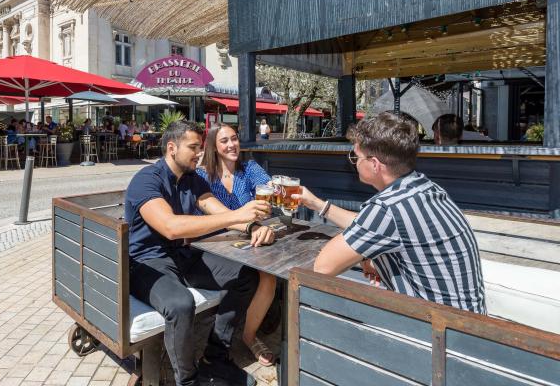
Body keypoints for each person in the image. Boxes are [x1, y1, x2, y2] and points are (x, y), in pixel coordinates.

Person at [125, 121, 275, 386]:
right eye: (193, 147)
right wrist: (238, 215)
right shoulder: (146, 179)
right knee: (181, 304)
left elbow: (214, 208)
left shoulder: (192, 178)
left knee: (245, 276)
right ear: (172, 148)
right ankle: (189, 379)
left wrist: (251, 225)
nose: (199, 153)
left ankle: (215, 357)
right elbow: (171, 227)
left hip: (183, 256)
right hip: (146, 263)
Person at [293, 112, 485, 314]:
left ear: (374, 164)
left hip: (436, 333)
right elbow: (368, 225)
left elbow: (323, 267)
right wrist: (316, 204)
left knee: (320, 309)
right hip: (467, 326)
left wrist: (366, 254)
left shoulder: (387, 208)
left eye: (355, 157)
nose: (354, 163)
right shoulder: (425, 188)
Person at [197, 123, 277, 366]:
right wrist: (249, 219)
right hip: (216, 244)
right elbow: (210, 214)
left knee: (270, 275)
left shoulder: (249, 168)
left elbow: (268, 186)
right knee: (255, 275)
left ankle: (249, 336)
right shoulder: (202, 176)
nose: (232, 145)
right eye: (224, 141)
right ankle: (240, 335)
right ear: (213, 146)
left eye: (234, 139)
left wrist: (274, 192)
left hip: (248, 238)